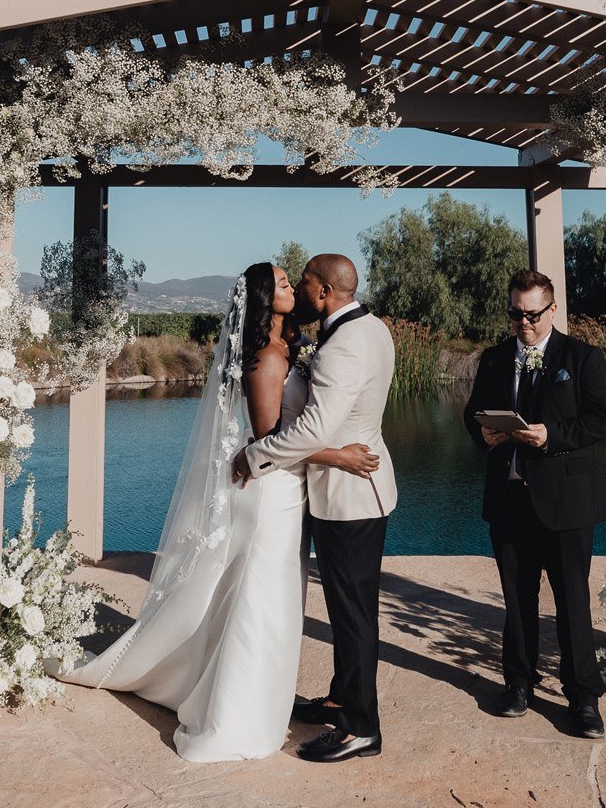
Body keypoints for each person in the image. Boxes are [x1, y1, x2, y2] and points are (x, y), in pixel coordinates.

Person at [61, 261, 380, 762]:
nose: (291, 287)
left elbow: (287, 434)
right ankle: (239, 714)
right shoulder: (268, 359)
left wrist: (318, 451)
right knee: (263, 602)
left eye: (293, 282)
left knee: (269, 599)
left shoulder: (287, 349)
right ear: (261, 300)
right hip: (274, 491)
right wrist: (337, 455)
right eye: (280, 283)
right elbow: (271, 437)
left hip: (286, 487)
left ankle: (259, 698)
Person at [234, 253, 397, 763]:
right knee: (351, 607)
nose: (299, 289)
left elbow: (315, 429)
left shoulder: (344, 343)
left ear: (324, 291)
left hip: (348, 493)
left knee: (352, 615)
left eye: (303, 281)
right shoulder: (371, 327)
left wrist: (255, 454)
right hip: (358, 485)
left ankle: (360, 727)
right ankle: (341, 696)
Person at [461, 269, 606, 739]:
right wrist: (484, 433)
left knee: (572, 601)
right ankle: (518, 684)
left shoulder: (583, 357)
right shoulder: (493, 359)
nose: (524, 323)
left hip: (567, 502)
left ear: (552, 309)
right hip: (509, 498)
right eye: (516, 314)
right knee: (517, 599)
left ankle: (583, 699)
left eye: (532, 314)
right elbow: (472, 415)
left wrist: (553, 436)